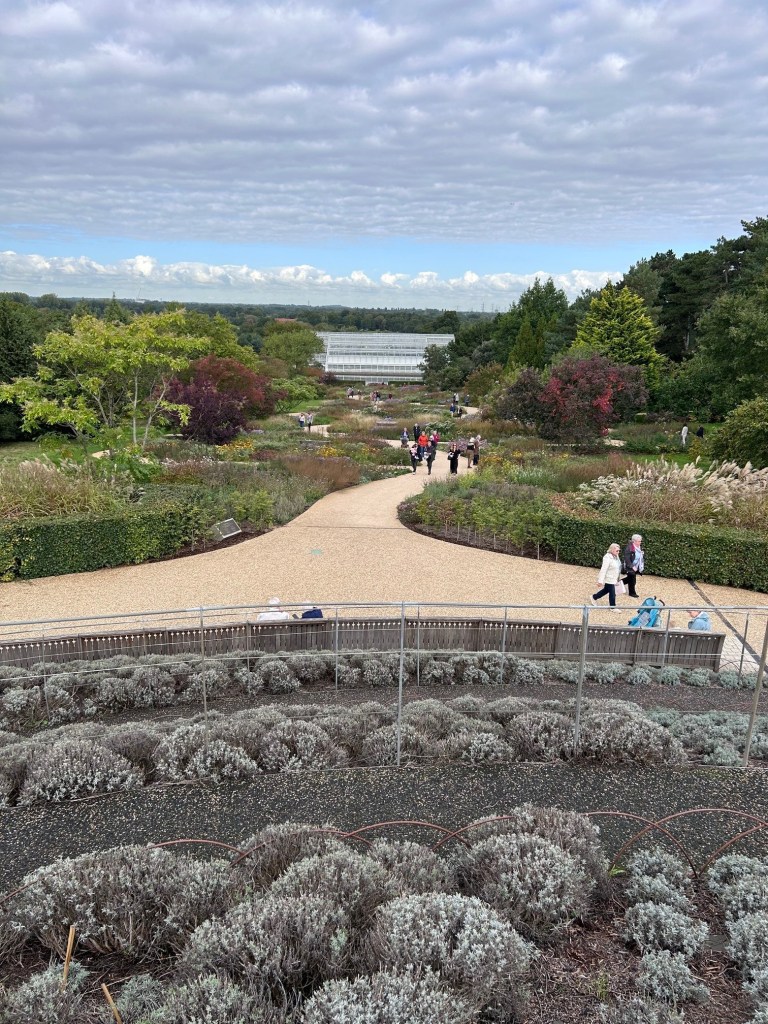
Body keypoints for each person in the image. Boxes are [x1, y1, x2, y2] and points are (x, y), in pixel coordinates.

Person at [591, 543, 623, 608]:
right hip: (609, 578)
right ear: (612, 550)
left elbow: (618, 567)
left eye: (619, 550)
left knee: (606, 590)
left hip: (614, 578)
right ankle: (613, 607)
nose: (618, 552)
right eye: (617, 551)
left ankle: (594, 597)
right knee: (612, 592)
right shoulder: (607, 557)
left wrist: (618, 578)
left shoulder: (616, 556)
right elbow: (603, 569)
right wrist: (600, 581)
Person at [621, 534, 644, 599]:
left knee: (629, 579)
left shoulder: (639, 547)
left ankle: (616, 584)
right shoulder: (629, 548)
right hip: (630, 567)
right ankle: (632, 593)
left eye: (640, 541)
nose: (640, 542)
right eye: (639, 541)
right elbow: (627, 559)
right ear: (634, 541)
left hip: (636, 566)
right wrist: (632, 566)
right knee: (632, 580)